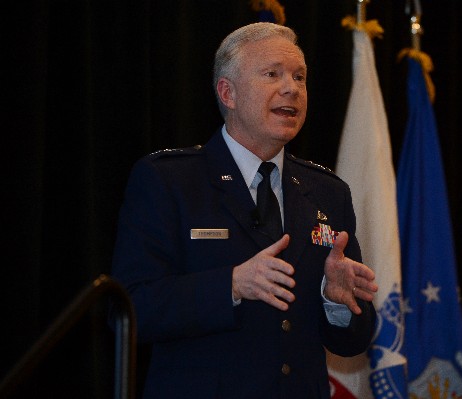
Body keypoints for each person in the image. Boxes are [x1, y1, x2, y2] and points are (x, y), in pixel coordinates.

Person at [110, 22, 378, 399]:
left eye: (299, 77)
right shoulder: (169, 181)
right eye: (272, 74)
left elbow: (353, 342)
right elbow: (131, 309)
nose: (292, 88)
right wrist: (232, 284)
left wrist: (335, 302)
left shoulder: (328, 192)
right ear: (228, 93)